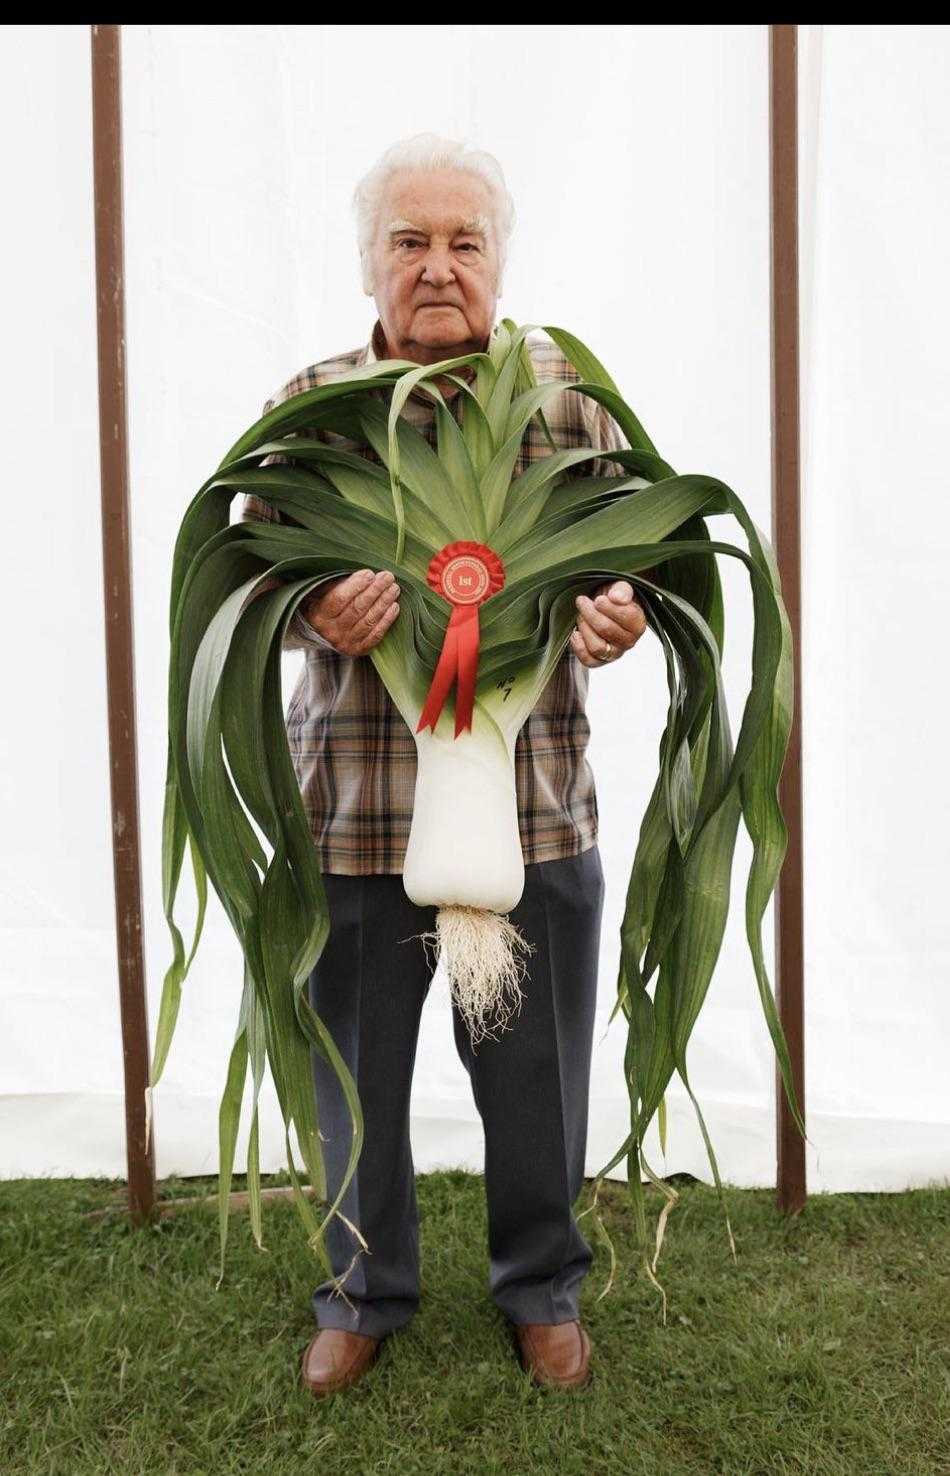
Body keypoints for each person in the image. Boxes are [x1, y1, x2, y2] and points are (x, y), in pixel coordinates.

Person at [241, 132, 649, 1397]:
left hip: (533, 820)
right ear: (368, 265)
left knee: (540, 1081)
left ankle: (541, 1289)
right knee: (350, 1081)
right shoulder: (313, 405)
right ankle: (363, 1292)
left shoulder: (565, 395)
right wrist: (313, 614)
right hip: (355, 816)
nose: (435, 267)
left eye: (462, 242)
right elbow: (250, 570)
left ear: (499, 260)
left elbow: (634, 554)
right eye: (408, 243)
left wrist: (621, 608)